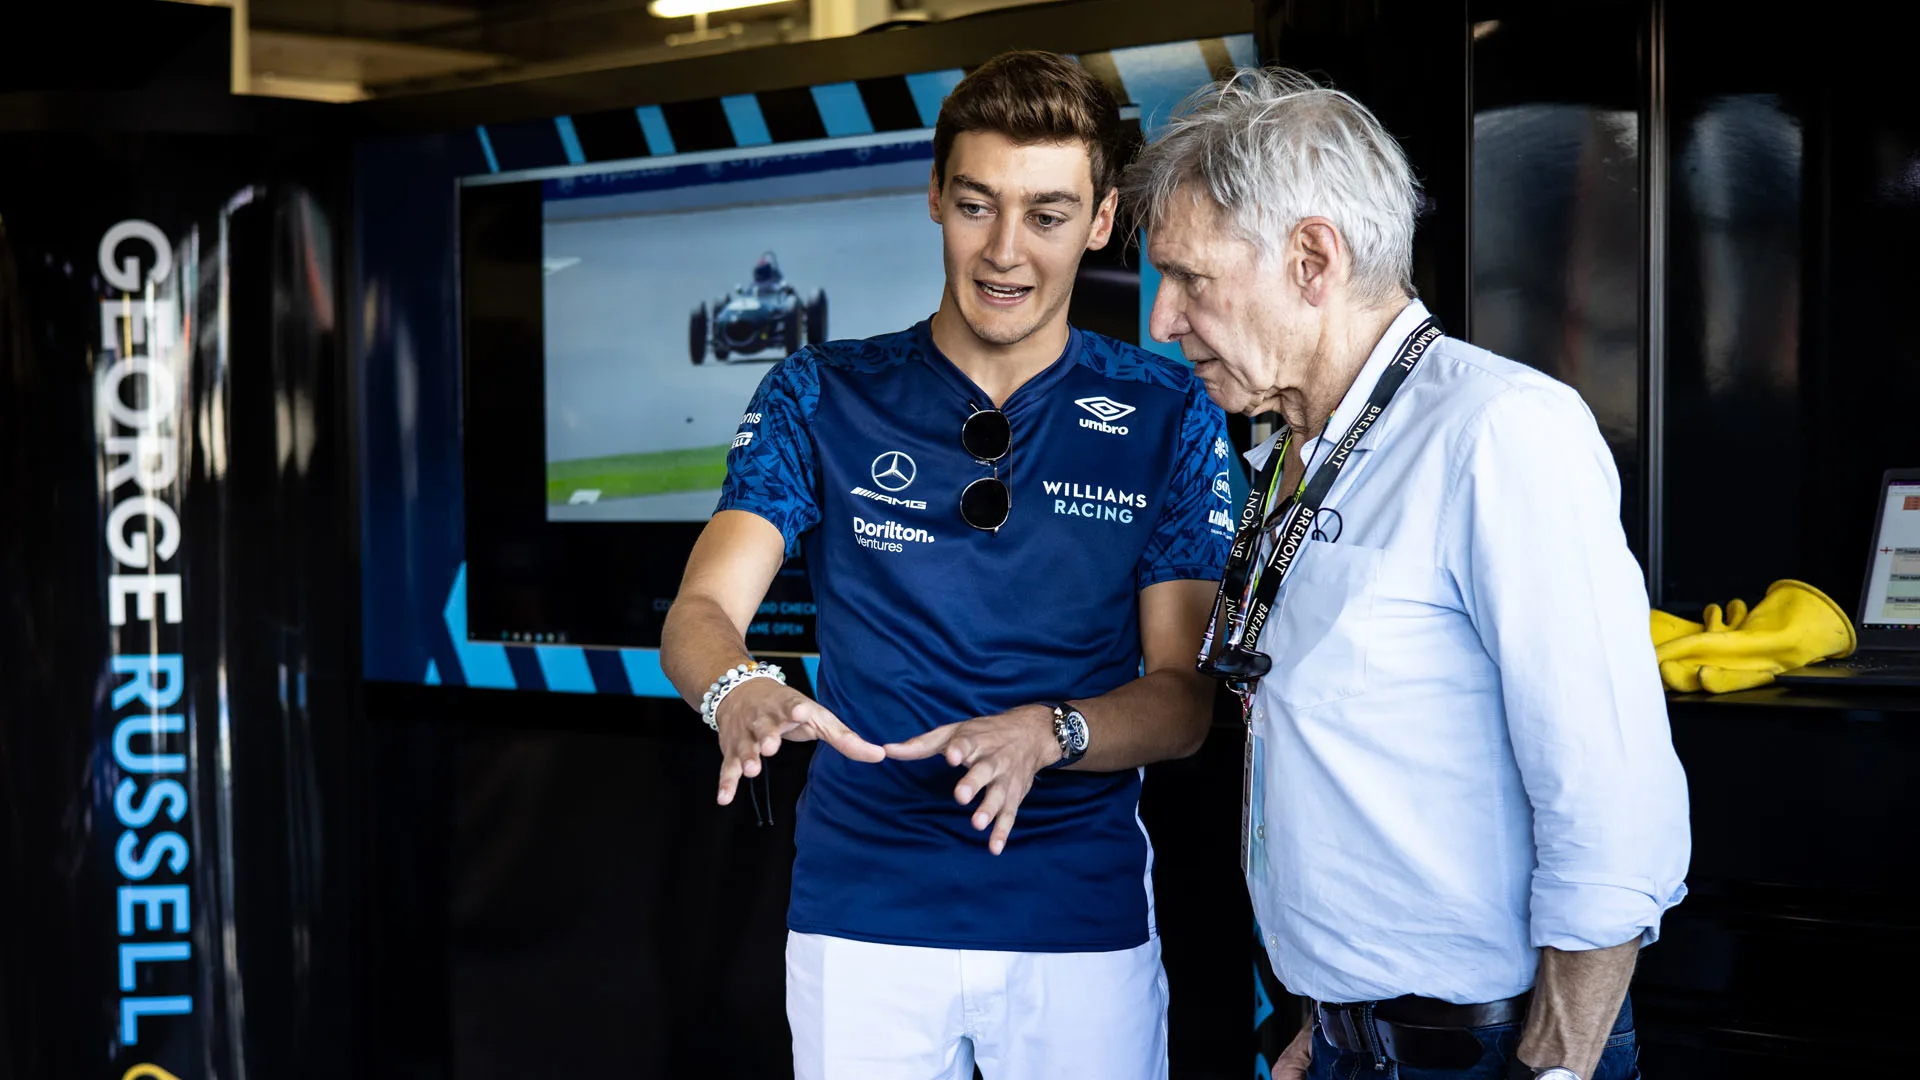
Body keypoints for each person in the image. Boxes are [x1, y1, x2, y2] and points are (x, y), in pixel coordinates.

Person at [660, 50, 1233, 1080]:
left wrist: (1048, 735)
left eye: (1048, 215)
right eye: (977, 205)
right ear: (934, 199)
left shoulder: (1169, 411)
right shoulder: (821, 389)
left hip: (1079, 918)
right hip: (862, 914)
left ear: (1104, 221)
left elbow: (1183, 700)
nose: (1006, 252)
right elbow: (702, 607)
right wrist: (735, 689)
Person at [1124, 69, 1691, 1080]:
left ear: (1311, 258)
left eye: (1190, 277)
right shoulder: (1290, 457)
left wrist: (1553, 1070)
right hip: (1349, 1042)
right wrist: (1327, 1020)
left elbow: (1614, 805)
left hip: (1494, 1052)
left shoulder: (1497, 434)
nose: (1164, 318)